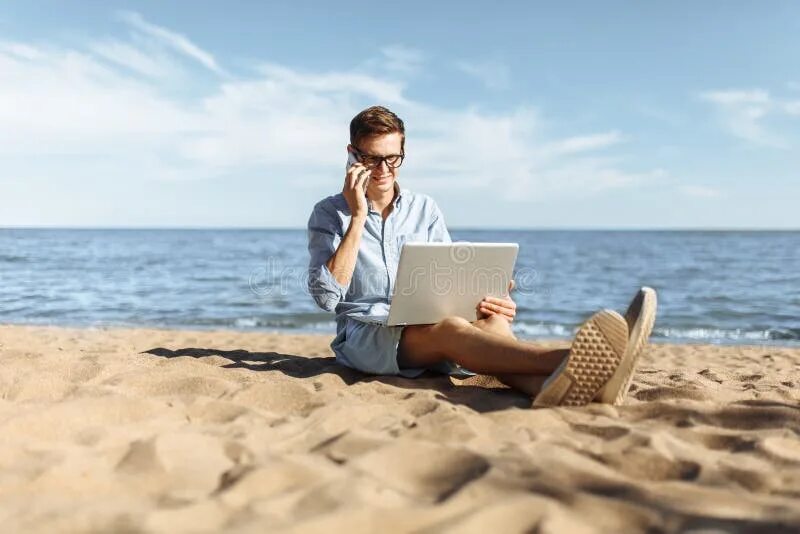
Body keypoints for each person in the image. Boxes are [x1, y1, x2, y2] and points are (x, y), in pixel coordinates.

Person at [306, 105, 657, 407]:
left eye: (392, 158)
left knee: (493, 323)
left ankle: (549, 389)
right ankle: (572, 359)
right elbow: (326, 298)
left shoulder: (424, 208)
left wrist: (486, 297)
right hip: (368, 337)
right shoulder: (329, 213)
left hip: (427, 329)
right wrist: (357, 218)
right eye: (371, 158)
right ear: (352, 154)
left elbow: (442, 279)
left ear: (403, 153)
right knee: (451, 328)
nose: (383, 170)